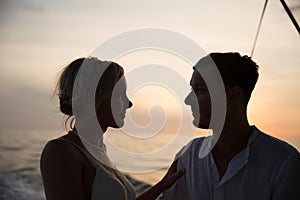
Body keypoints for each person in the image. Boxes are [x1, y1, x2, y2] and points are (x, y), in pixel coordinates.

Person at [40, 57, 185, 200]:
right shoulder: (60, 151)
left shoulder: (99, 150)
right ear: (96, 96)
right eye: (120, 94)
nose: (129, 104)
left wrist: (161, 186)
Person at [161, 52, 300, 199]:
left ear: (233, 95)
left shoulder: (284, 163)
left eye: (199, 90)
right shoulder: (188, 156)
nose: (188, 100)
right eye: (191, 90)